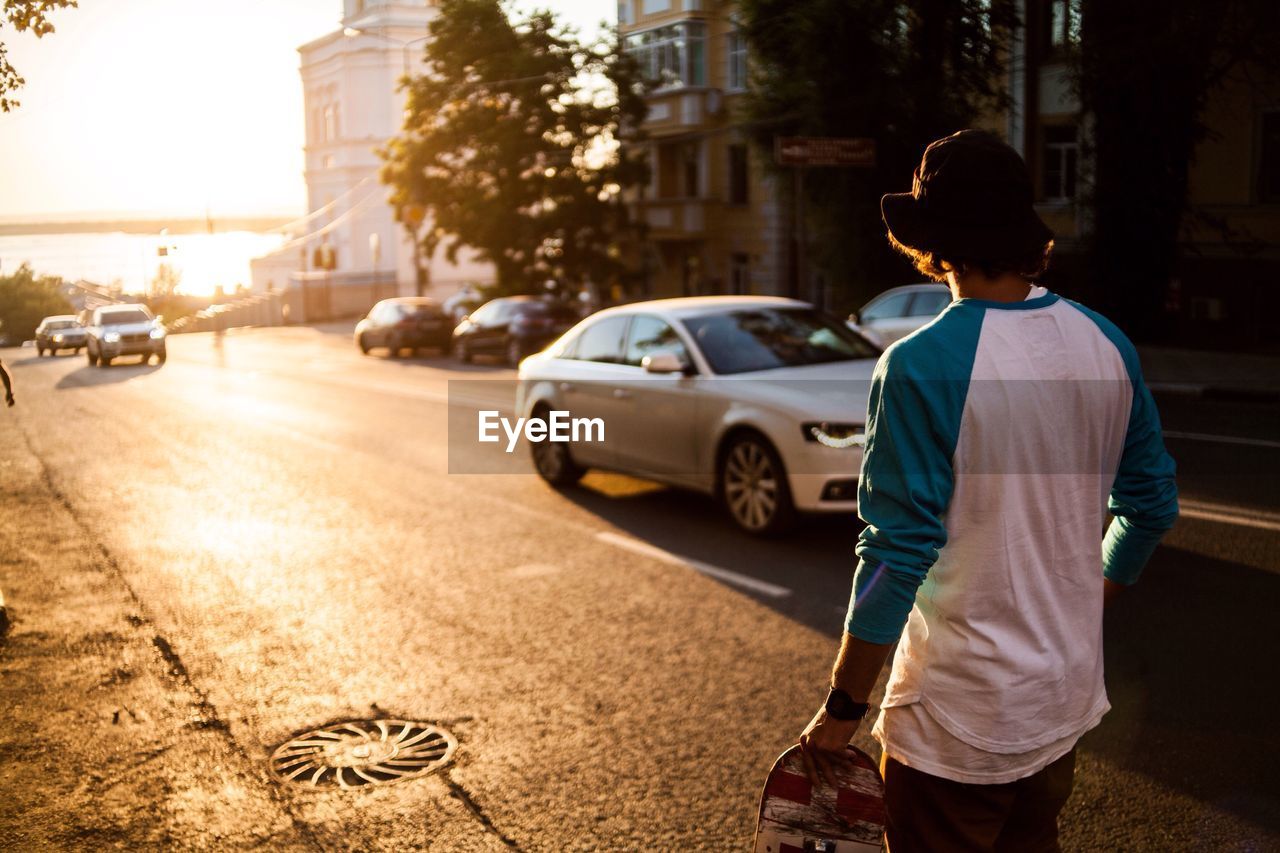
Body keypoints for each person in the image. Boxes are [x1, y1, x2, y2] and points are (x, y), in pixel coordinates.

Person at [797, 130, 1179, 852]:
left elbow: (896, 551)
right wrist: (1093, 594)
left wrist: (843, 706)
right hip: (1061, 701)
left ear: (935, 244)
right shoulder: (1106, 342)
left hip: (957, 725)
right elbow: (1152, 502)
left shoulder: (917, 365)